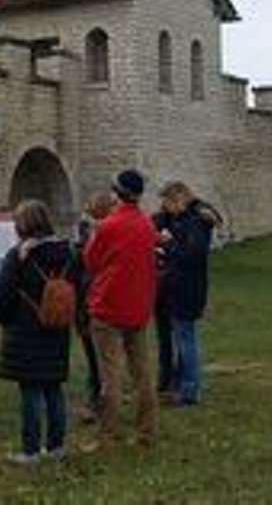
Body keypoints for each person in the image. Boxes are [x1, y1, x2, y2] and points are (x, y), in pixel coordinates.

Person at [0, 199, 77, 464]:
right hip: (58, 326)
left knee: (30, 390)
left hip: (26, 329)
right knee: (53, 387)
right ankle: (56, 446)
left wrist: (3, 319)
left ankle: (30, 451)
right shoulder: (67, 251)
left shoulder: (19, 256)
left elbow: (1, 298)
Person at [81, 169, 161, 450]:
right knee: (143, 373)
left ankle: (109, 436)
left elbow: (90, 262)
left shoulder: (108, 225)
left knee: (110, 377)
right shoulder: (146, 224)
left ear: (117, 192)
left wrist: (93, 232)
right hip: (138, 307)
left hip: (109, 308)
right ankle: (147, 432)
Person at [153, 180, 217, 406]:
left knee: (186, 338)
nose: (165, 207)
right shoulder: (178, 217)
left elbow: (193, 255)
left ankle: (190, 390)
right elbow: (158, 222)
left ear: (178, 198)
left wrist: (167, 245)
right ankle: (178, 381)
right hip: (173, 285)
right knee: (181, 336)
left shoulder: (197, 220)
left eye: (167, 202)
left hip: (187, 287)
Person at [72, 190, 118, 423]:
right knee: (97, 356)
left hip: (97, 300)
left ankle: (100, 404)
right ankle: (97, 399)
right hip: (90, 299)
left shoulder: (106, 233)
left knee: (101, 358)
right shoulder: (91, 233)